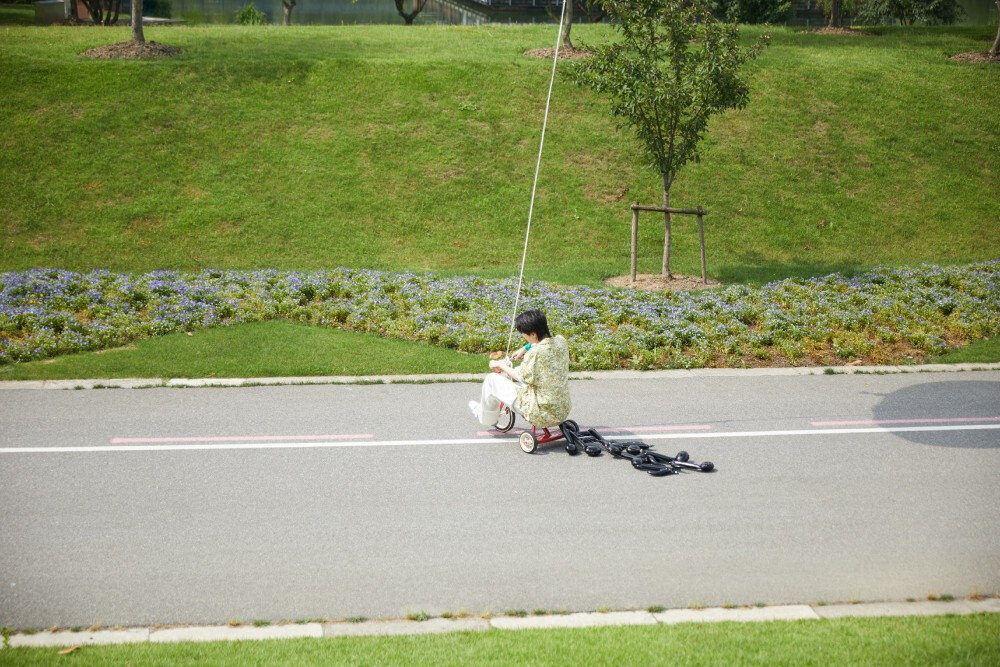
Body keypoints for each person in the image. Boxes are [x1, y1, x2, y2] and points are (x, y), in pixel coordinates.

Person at [468, 308, 571, 429]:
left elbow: (519, 376)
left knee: (491, 380)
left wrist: (500, 364)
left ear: (533, 334)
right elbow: (543, 354)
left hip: (539, 412)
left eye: (523, 333)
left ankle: (485, 417)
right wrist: (525, 348)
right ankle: (485, 413)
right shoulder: (561, 341)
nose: (523, 335)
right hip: (562, 409)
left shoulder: (536, 354)